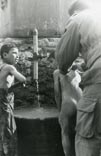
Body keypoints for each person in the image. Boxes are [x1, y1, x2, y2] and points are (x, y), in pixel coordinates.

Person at [55, 0, 101, 156]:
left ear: (74, 12)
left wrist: (65, 68)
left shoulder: (78, 18)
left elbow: (62, 59)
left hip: (83, 95)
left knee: (86, 137)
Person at [0, 43, 26, 156]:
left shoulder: (0, 66)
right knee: (8, 132)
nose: (17, 56)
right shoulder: (10, 67)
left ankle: (1, 153)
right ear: (5, 55)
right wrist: (22, 82)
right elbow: (23, 79)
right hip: (1, 102)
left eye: (18, 53)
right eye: (14, 53)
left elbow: (3, 86)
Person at [53, 61, 82, 156]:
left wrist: (59, 110)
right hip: (80, 101)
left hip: (68, 103)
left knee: (65, 133)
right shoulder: (77, 72)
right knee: (80, 133)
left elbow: (57, 93)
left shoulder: (57, 72)